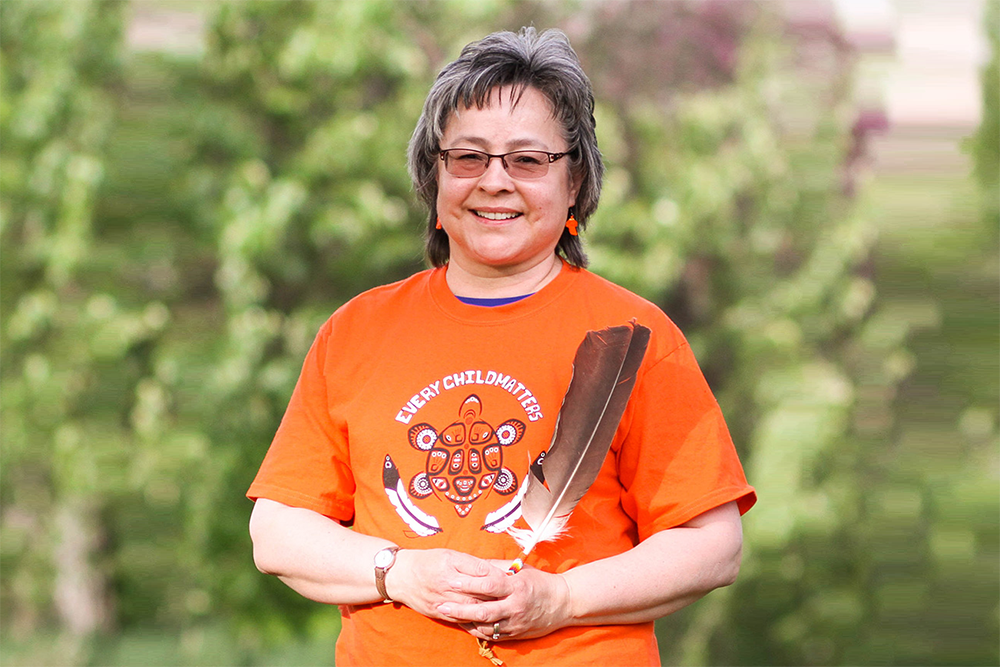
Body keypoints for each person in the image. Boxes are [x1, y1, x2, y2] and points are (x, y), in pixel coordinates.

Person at [247, 27, 755, 667]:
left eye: (527, 159)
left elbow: (712, 544)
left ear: (574, 184)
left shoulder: (635, 336)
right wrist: (398, 572)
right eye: (468, 157)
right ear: (434, 179)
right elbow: (277, 530)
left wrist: (560, 598)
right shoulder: (355, 330)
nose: (494, 182)